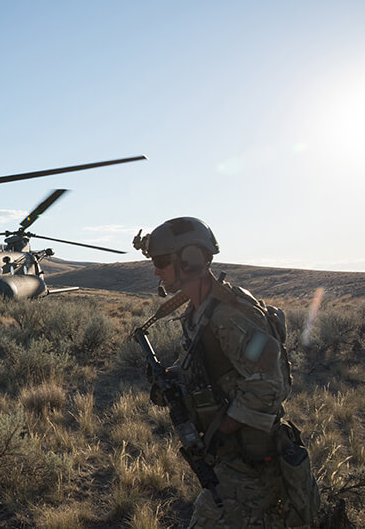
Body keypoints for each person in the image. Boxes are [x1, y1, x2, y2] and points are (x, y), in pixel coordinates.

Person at [133, 217, 319, 527]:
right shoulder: (200, 310)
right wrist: (173, 379)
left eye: (161, 262)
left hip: (250, 463)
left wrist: (223, 431)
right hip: (232, 457)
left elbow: (271, 384)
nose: (156, 271)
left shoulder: (230, 314)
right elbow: (210, 369)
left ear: (190, 259)